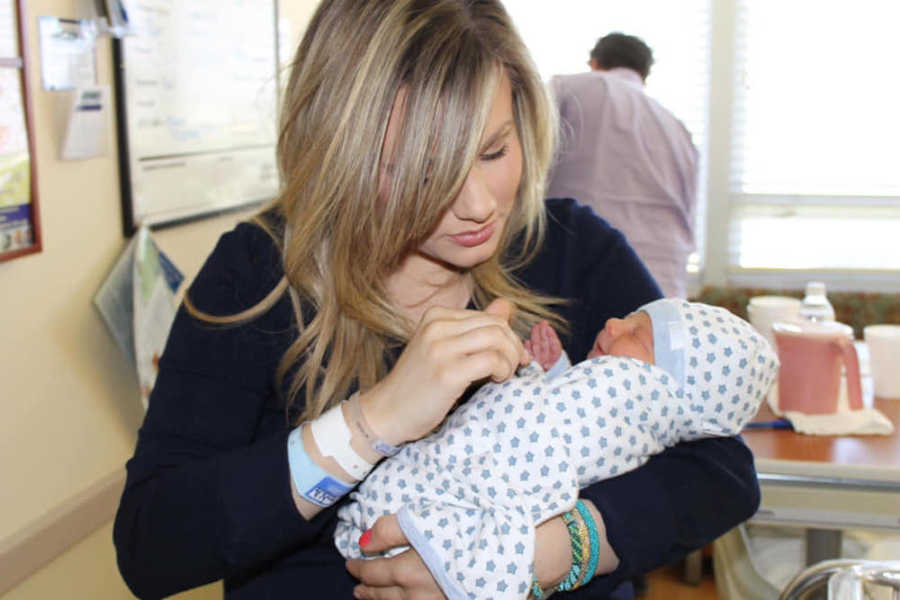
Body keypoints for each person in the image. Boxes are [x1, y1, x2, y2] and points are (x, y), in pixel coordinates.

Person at [112, 2, 760, 599]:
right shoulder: (259, 275)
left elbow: (722, 471)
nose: (479, 206)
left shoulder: (571, 250)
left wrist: (544, 555)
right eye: (425, 171)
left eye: (494, 150)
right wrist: (374, 421)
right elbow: (152, 548)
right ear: (342, 152)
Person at [336, 299, 779, 599]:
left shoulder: (646, 391)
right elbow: (571, 416)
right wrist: (555, 373)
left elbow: (730, 473)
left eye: (638, 335)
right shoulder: (622, 385)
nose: (612, 323)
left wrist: (555, 549)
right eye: (629, 317)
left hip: (464, 493)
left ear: (667, 381)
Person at [546, 32, 700, 299]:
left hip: (585, 272)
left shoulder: (569, 89)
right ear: (644, 74)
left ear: (594, 63)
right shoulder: (678, 129)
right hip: (665, 284)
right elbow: (689, 217)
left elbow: (522, 151)